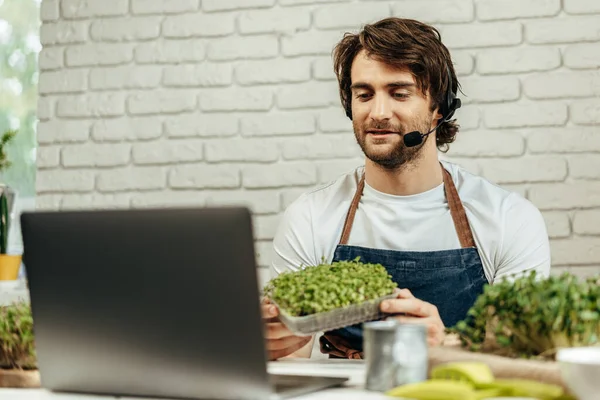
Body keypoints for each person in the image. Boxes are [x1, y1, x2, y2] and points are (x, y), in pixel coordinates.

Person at [261, 17, 551, 361]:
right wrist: (271, 346)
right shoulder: (309, 217)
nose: (378, 113)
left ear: (437, 109)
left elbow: (517, 364)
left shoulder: (510, 219)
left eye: (399, 93)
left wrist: (446, 346)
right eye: (364, 94)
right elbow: (289, 368)